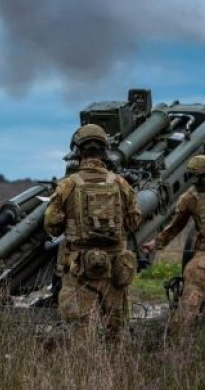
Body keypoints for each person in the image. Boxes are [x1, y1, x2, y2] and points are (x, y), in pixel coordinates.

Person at [44, 123, 140, 342]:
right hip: (115, 269)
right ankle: (119, 373)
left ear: (78, 151)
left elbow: (51, 225)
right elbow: (134, 222)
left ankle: (84, 374)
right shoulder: (121, 184)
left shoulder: (67, 185)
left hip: (79, 269)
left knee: (80, 333)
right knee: (118, 334)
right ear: (105, 151)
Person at [141, 154, 205, 331]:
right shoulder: (189, 199)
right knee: (190, 301)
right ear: (196, 179)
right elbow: (175, 226)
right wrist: (155, 244)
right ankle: (178, 343)